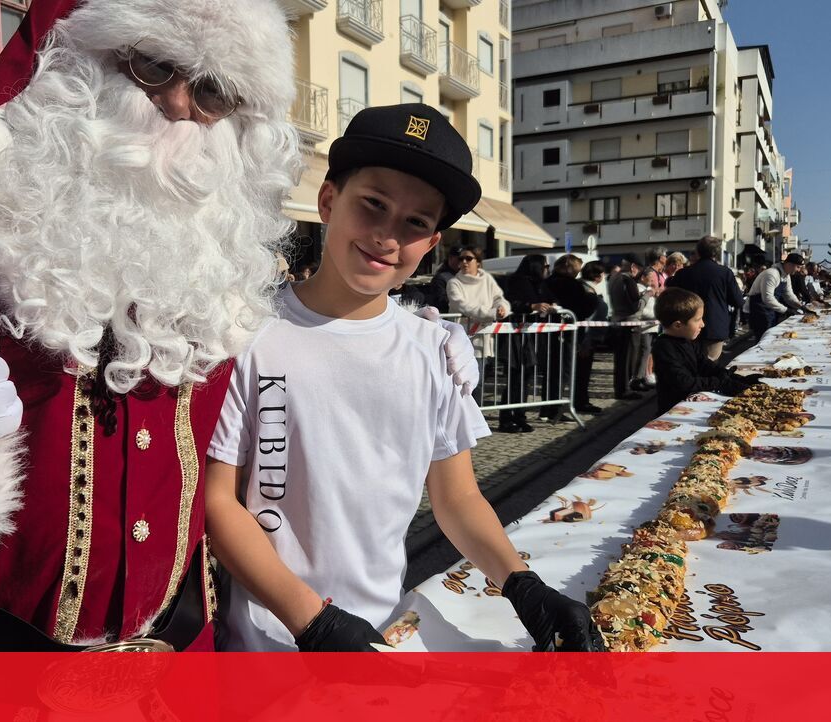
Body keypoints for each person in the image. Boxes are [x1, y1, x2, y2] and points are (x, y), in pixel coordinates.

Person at [0, 0, 478, 652]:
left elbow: (309, 357)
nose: (179, 105)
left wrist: (422, 342)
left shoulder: (225, 269)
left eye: (214, 92)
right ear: (78, 61)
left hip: (170, 656)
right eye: (153, 65)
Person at [205, 103, 600, 653]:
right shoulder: (248, 334)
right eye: (373, 204)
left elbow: (457, 498)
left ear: (432, 244)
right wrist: (311, 621)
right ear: (328, 201)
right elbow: (219, 501)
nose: (388, 235)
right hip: (264, 642)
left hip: (384, 633)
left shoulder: (435, 352)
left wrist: (523, 585)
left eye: (416, 222)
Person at [651, 288, 760, 415]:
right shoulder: (664, 347)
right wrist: (719, 382)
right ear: (678, 325)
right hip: (674, 410)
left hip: (694, 403)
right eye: (697, 320)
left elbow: (705, 364)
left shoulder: (686, 341)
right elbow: (683, 382)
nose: (702, 324)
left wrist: (735, 378)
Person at [667, 237, 743, 361]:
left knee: (689, 364)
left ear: (698, 251)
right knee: (710, 365)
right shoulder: (724, 273)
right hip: (715, 327)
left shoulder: (684, 273)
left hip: (688, 326)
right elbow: (737, 301)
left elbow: (669, 291)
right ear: (716, 253)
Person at [543, 254, 600, 418]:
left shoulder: (549, 282)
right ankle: (554, 409)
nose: (578, 272)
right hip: (567, 334)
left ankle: (549, 407)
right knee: (563, 372)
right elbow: (581, 307)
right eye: (577, 268)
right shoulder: (570, 284)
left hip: (552, 332)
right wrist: (592, 298)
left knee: (553, 372)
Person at [502, 253, 555, 431]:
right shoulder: (517, 281)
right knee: (515, 377)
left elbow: (547, 299)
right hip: (515, 335)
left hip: (530, 336)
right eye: (545, 266)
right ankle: (506, 418)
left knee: (526, 377)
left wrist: (551, 306)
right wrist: (531, 306)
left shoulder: (539, 283)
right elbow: (511, 304)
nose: (547, 270)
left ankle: (520, 415)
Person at [448, 245, 511, 364]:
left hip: (484, 338)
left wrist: (502, 309)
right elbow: (462, 305)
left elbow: (498, 298)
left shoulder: (487, 279)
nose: (464, 262)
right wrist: (492, 313)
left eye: (468, 258)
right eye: (461, 259)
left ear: (478, 262)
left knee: (482, 373)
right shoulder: (454, 283)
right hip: (463, 338)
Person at [572, 261, 608, 413]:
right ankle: (581, 402)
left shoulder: (586, 287)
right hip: (586, 338)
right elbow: (587, 319)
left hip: (588, 337)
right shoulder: (586, 290)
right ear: (598, 276)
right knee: (582, 372)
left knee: (583, 372)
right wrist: (586, 342)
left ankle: (582, 400)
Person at [607, 253, 643, 399]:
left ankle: (620, 388)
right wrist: (646, 295)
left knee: (620, 359)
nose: (639, 272)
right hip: (629, 323)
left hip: (617, 320)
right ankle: (625, 390)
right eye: (639, 268)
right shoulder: (628, 280)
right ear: (633, 266)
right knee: (628, 359)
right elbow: (635, 305)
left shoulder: (613, 277)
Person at [746, 253, 805, 339]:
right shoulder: (772, 274)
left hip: (771, 310)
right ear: (789, 264)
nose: (799, 270)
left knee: (770, 336)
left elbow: (789, 295)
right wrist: (786, 310)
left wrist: (800, 306)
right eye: (798, 267)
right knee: (763, 338)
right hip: (759, 310)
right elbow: (767, 298)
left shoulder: (786, 276)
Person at [428, 246, 464, 312]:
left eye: (467, 259)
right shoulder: (440, 278)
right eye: (460, 259)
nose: (463, 262)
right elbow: (440, 300)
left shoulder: (466, 276)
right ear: (450, 258)